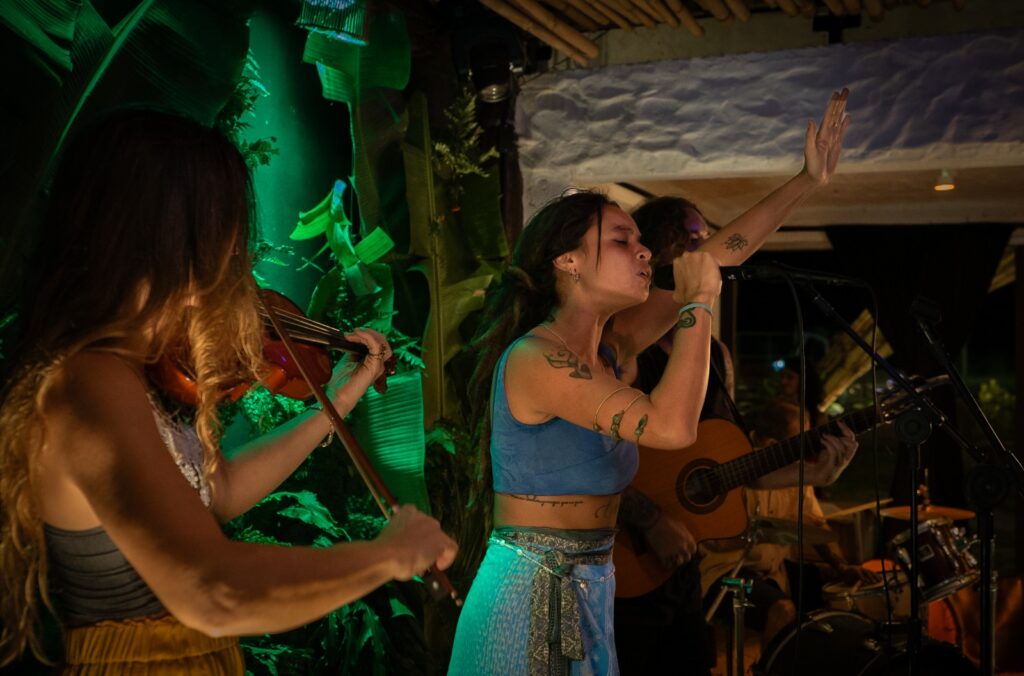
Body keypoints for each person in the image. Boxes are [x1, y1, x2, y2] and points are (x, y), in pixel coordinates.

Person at [0, 109, 457, 673]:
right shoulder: (91, 380)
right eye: (224, 226)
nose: (237, 253)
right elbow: (210, 591)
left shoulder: (127, 372)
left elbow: (217, 489)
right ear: (172, 235)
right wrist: (385, 555)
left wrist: (336, 401)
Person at [448, 89, 852, 675]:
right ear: (567, 261)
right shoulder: (537, 358)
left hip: (593, 583)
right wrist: (700, 303)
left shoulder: (611, 350)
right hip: (531, 596)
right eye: (622, 240)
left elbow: (721, 253)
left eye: (641, 242)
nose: (643, 252)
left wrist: (806, 181)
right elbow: (671, 427)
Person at [613, 196, 858, 675]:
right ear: (663, 252)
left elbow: (721, 468)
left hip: (682, 567)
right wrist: (652, 519)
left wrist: (808, 475)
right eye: (698, 240)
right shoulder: (623, 345)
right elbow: (588, 457)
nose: (716, 251)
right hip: (626, 559)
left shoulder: (714, 354)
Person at [699, 399, 880, 650]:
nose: (805, 451)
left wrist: (840, 566)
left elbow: (814, 524)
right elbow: (712, 537)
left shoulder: (799, 473)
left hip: (773, 573)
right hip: (724, 572)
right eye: (798, 443)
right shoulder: (733, 463)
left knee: (834, 601)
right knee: (782, 609)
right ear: (771, 445)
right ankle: (768, 667)